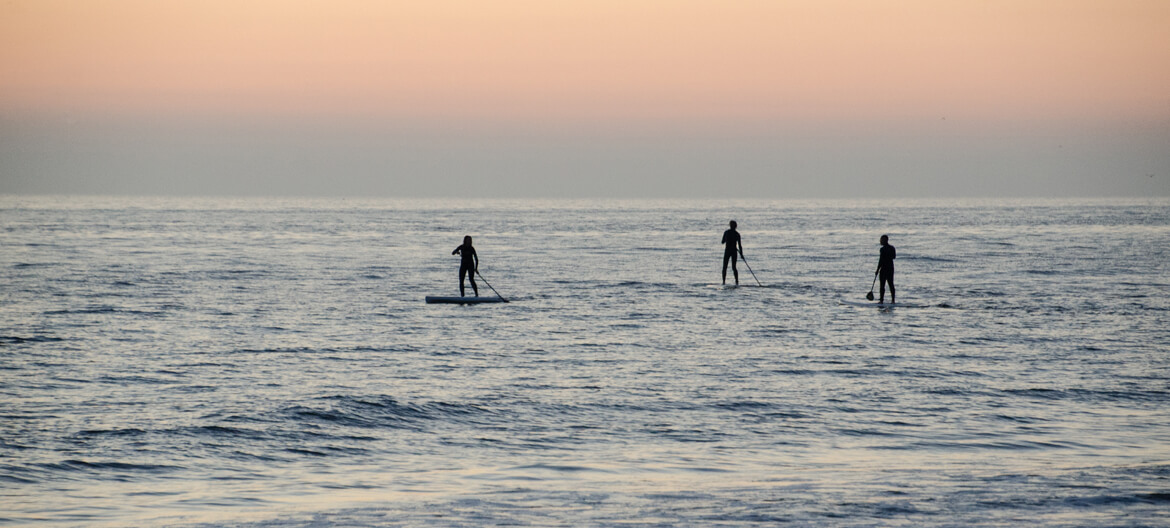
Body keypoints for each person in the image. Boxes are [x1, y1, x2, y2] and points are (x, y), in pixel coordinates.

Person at [721, 220, 744, 285]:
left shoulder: (726, 232)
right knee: (733, 267)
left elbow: (722, 242)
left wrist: (727, 239)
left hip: (728, 251)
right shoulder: (737, 234)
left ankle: (724, 281)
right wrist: (741, 254)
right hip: (733, 251)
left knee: (725, 267)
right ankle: (736, 281)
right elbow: (740, 246)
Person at [875, 234, 896, 303]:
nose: (880, 241)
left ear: (885, 240)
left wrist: (877, 270)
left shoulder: (882, 249)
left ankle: (881, 300)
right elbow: (894, 257)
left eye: (881, 240)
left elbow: (881, 260)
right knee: (891, 284)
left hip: (884, 269)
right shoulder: (892, 248)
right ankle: (893, 300)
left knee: (882, 285)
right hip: (890, 268)